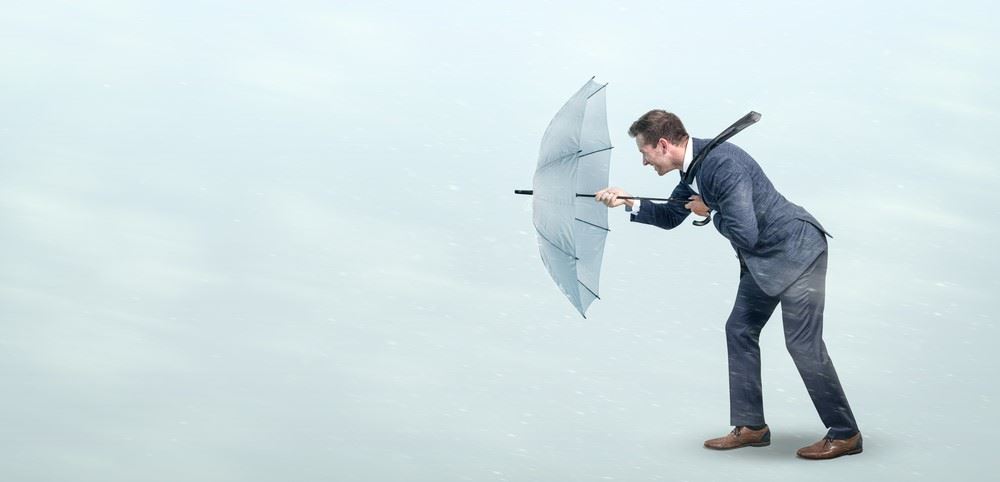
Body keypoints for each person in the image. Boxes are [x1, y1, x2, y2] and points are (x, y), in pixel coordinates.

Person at [595, 110, 861, 460]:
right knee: (739, 329)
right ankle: (751, 427)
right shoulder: (693, 171)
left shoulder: (722, 166)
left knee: (802, 344)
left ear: (662, 145)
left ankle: (845, 434)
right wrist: (629, 202)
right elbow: (672, 216)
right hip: (764, 261)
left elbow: (745, 233)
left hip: (798, 252)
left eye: (644, 153)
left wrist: (710, 212)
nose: (645, 163)